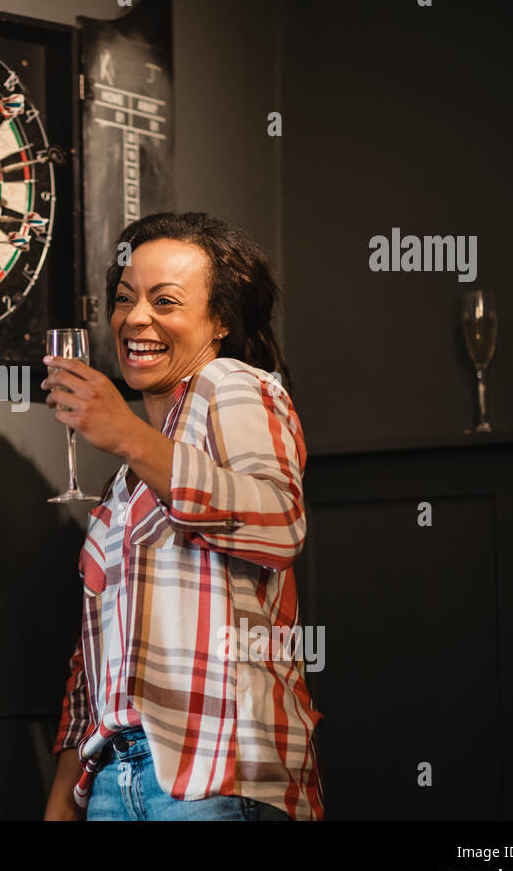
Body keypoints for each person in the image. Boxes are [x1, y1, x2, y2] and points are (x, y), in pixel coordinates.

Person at [41, 212, 324, 821]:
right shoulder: (126, 482)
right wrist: (64, 799)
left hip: (217, 775)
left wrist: (125, 435)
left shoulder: (234, 385)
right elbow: (92, 664)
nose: (136, 318)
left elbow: (280, 522)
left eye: (164, 300)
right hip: (114, 784)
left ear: (220, 322)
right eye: (124, 298)